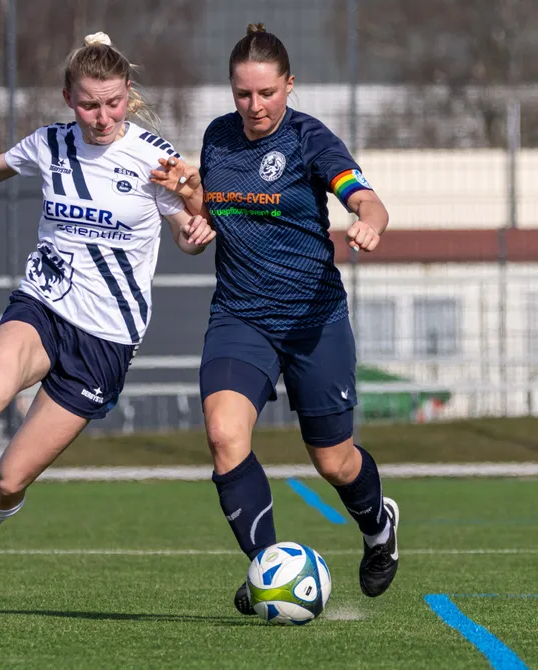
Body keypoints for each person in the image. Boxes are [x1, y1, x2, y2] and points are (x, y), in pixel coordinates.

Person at [0, 32, 216, 602]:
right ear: (66, 97)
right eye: (87, 104)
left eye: (112, 103)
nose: (101, 117)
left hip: (104, 338)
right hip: (42, 305)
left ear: (128, 94)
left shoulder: (156, 160)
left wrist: (197, 222)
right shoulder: (49, 144)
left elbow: (189, 234)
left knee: (8, 480)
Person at [150, 24, 399, 614]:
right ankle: (267, 566)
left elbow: (366, 198)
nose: (255, 106)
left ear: (289, 85)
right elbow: (204, 221)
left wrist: (369, 222)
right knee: (223, 436)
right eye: (243, 94)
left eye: (267, 93)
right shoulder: (216, 140)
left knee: (334, 459)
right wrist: (191, 210)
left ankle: (378, 526)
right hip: (241, 316)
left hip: (314, 319)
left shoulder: (312, 140)